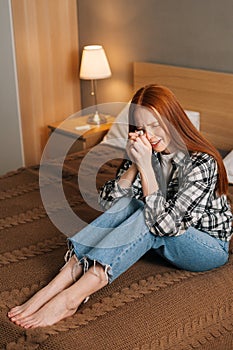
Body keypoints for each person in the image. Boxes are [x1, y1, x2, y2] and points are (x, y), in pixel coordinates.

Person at [8, 84, 233, 328]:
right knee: (134, 205)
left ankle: (71, 298)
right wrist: (136, 164)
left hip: (206, 246)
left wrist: (146, 168)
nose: (150, 135)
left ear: (173, 119)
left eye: (156, 124)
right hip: (163, 233)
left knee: (147, 214)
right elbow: (110, 206)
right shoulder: (146, 150)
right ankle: (58, 283)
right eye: (141, 127)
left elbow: (165, 226)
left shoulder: (202, 162)